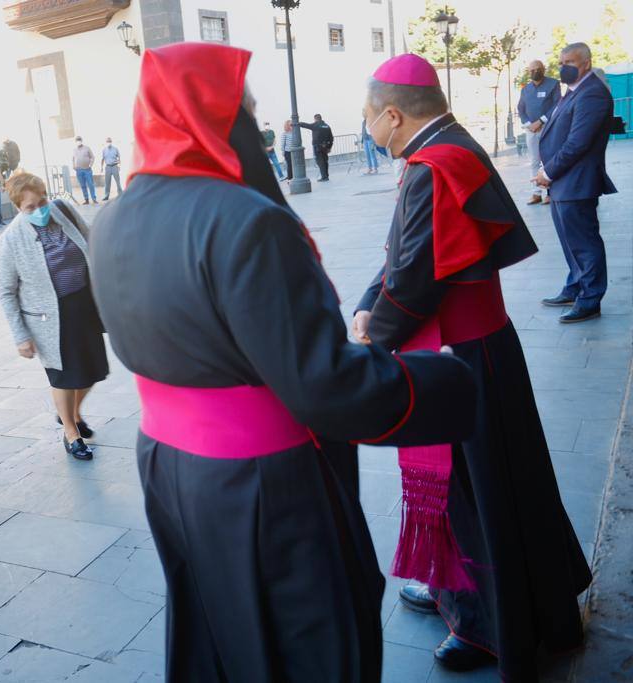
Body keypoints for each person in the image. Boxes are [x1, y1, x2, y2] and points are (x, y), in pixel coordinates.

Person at [90, 43, 477, 682]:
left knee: (219, 626)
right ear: (219, 116)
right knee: (307, 640)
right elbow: (323, 383)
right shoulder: (246, 221)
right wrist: (443, 384)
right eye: (248, 111)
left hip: (167, 463)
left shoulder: (112, 217)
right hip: (263, 479)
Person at [355, 54, 591, 679]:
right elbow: (404, 253)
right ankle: (460, 591)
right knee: (498, 485)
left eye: (366, 118)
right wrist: (364, 302)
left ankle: (489, 626)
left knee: (472, 495)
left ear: (392, 114)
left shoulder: (435, 164)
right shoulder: (448, 146)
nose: (366, 130)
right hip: (482, 348)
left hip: (460, 357)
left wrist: (370, 338)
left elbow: (412, 282)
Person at [0, 172, 107, 461]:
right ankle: (71, 433)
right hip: (49, 319)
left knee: (94, 370)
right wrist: (21, 336)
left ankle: (70, 414)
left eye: (42, 201)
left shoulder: (63, 210)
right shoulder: (11, 239)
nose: (39, 209)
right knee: (63, 377)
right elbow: (6, 291)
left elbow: (89, 240)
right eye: (30, 207)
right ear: (18, 208)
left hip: (84, 306)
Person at [535, 42, 617, 324]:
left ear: (586, 62)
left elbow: (578, 143)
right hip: (564, 182)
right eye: (560, 61)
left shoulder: (592, 93)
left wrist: (548, 172)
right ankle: (575, 287)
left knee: (584, 243)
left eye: (569, 61)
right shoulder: (573, 90)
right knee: (571, 242)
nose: (563, 67)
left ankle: (590, 298)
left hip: (577, 181)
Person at [518, 60, 561, 205]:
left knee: (549, 159)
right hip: (531, 130)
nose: (534, 72)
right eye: (531, 70)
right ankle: (536, 194)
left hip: (548, 128)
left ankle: (551, 193)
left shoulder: (553, 84)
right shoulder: (526, 89)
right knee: (534, 161)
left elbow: (557, 104)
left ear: (543, 69)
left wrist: (541, 121)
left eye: (537, 69)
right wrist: (529, 124)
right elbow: (521, 109)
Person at [296, 113, 334, 181]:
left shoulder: (316, 125)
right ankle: (326, 175)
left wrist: (299, 123)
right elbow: (331, 138)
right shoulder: (327, 126)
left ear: (315, 119)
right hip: (325, 147)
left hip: (317, 146)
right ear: (321, 118)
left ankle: (324, 177)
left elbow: (307, 125)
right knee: (325, 161)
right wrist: (329, 147)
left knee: (320, 161)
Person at [72, 136, 97, 205]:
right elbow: (73, 159)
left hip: (87, 170)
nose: (78, 141)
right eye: (77, 140)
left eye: (79, 140)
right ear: (75, 142)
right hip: (79, 170)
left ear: (81, 141)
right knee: (83, 185)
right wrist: (73, 166)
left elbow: (92, 157)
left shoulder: (87, 148)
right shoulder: (74, 150)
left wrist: (90, 165)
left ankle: (94, 199)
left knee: (91, 184)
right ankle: (86, 200)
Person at [360, 109, 379, 174]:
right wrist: (362, 142)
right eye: (362, 113)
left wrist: (373, 141)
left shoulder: (370, 120)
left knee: (372, 154)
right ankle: (369, 168)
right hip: (365, 139)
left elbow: (373, 131)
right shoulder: (363, 122)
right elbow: (363, 132)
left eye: (363, 112)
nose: (362, 114)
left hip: (370, 139)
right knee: (367, 155)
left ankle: (375, 168)